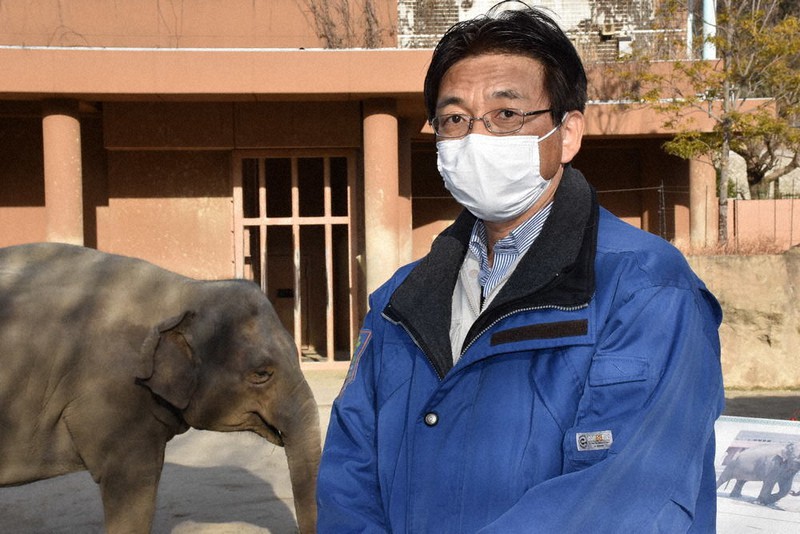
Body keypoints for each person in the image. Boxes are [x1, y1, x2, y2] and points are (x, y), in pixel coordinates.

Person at [317, 3, 724, 532]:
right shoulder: (399, 302)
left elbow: (623, 493)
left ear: (568, 133)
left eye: (506, 115)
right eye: (454, 119)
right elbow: (349, 470)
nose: (475, 138)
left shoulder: (646, 288)